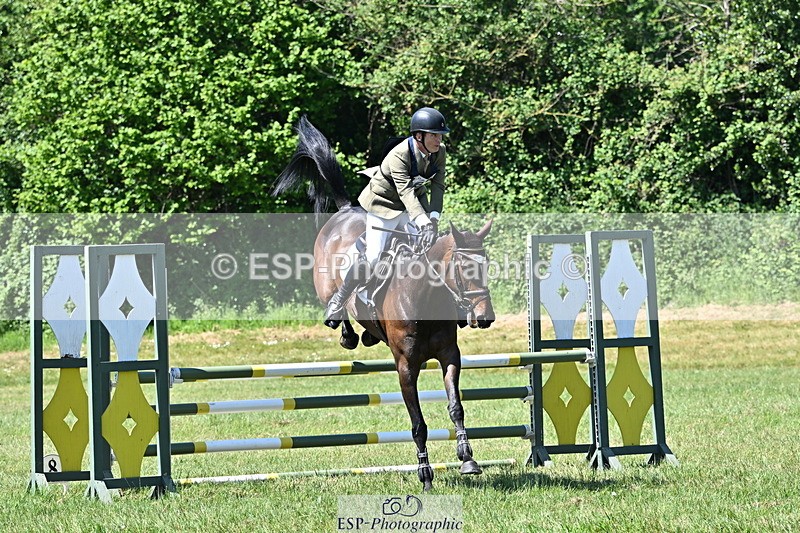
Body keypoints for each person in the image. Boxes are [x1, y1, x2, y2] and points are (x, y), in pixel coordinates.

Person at [323, 106, 450, 328]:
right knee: (373, 258)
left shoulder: (440, 152)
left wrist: (434, 220)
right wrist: (423, 222)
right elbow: (405, 192)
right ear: (418, 136)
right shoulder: (399, 155)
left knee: (427, 252)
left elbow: (438, 186)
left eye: (440, 135)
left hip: (414, 206)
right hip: (384, 208)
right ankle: (338, 300)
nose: (439, 140)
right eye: (434, 135)